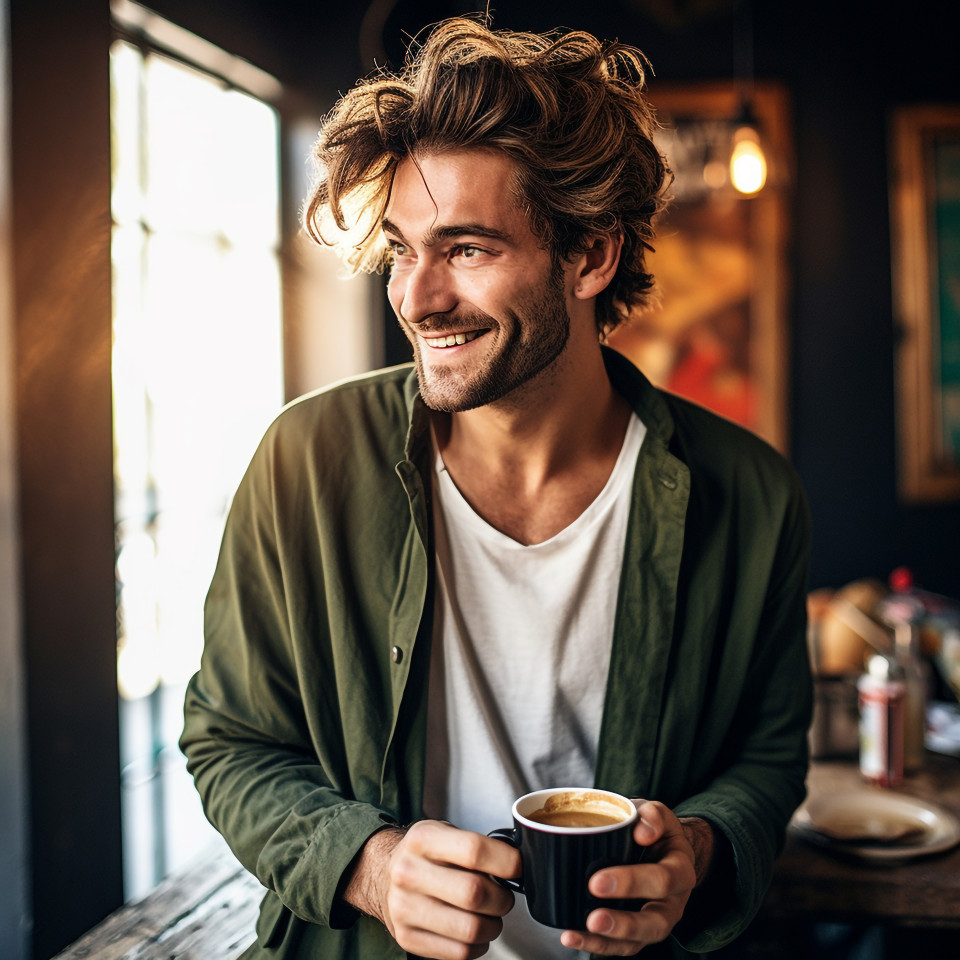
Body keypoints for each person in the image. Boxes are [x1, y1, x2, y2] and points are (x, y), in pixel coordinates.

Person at [180, 16, 812, 960]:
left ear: (589, 257)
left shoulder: (750, 497)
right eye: (401, 248)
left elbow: (766, 761)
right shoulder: (303, 462)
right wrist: (368, 865)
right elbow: (230, 740)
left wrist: (703, 848)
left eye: (467, 249)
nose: (415, 296)